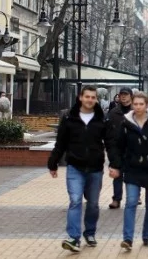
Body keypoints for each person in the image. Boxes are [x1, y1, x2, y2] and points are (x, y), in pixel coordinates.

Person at [47, 85, 115, 253]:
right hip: (75, 167)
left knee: (92, 204)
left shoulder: (102, 119)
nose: (90, 100)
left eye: (93, 97)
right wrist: (53, 162)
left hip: (95, 168)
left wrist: (114, 164)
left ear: (96, 100)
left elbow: (110, 144)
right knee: (75, 200)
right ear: (80, 98)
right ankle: (73, 238)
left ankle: (90, 232)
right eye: (87, 97)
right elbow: (61, 142)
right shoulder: (69, 118)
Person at [109, 91, 148, 251]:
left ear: (147, 105)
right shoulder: (126, 123)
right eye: (135, 104)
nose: (137, 107)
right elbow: (118, 146)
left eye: (141, 104)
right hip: (132, 169)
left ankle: (146, 235)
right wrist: (117, 164)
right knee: (131, 202)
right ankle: (128, 239)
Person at [107, 87, 135, 209]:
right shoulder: (114, 112)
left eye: (126, 94)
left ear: (131, 96)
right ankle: (116, 199)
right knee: (117, 174)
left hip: (133, 149)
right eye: (121, 94)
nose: (123, 97)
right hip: (117, 149)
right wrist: (110, 148)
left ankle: (134, 197)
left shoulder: (136, 111)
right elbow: (108, 131)